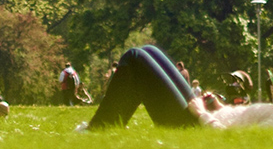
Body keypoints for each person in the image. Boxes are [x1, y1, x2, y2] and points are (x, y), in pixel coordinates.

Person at [79, 46, 212, 130]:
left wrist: (202, 115)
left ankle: (101, 126)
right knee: (149, 50)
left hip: (199, 123)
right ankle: (109, 122)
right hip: (209, 115)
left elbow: (224, 132)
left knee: (134, 57)